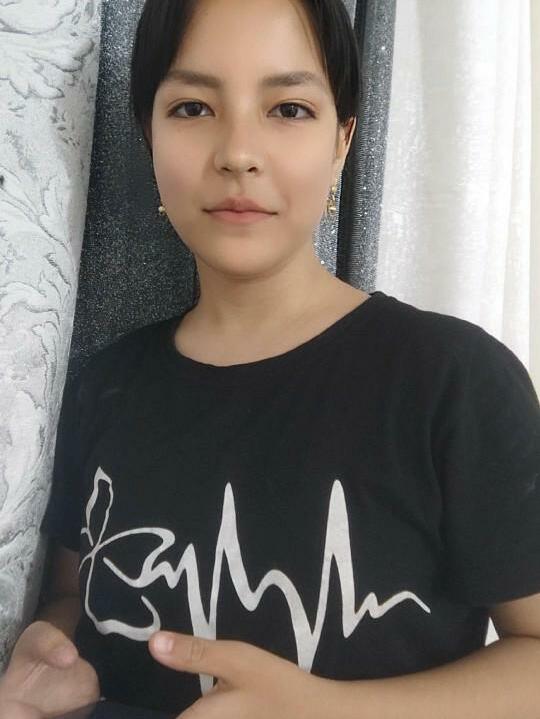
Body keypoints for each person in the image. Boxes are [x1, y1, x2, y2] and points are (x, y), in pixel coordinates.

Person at [2, 0, 540, 717]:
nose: (237, 152)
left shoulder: (456, 382)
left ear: (342, 142)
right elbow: (75, 591)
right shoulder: (105, 385)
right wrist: (48, 647)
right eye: (193, 108)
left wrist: (329, 708)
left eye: (288, 109)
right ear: (149, 136)